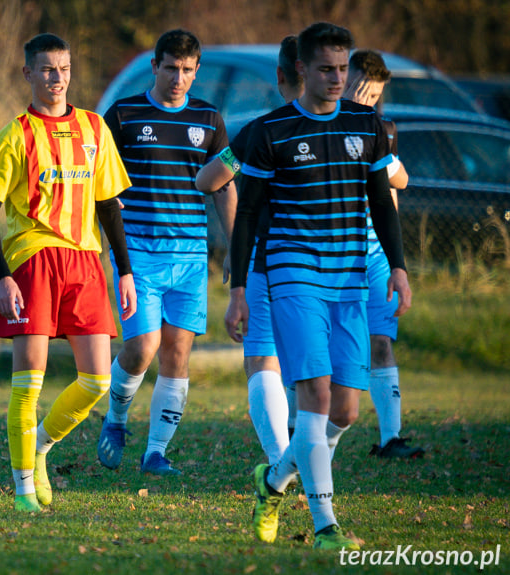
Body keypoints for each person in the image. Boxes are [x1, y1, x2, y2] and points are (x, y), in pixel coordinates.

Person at [226, 23, 411, 550]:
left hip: (350, 279)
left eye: (342, 68)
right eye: (326, 69)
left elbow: (381, 201)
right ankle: (327, 527)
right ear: (302, 69)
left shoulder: (367, 125)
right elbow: (249, 215)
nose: (336, 79)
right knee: (315, 398)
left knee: (346, 412)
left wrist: (397, 267)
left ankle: (272, 482)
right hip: (292, 276)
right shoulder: (270, 132)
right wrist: (239, 289)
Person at [0, 33, 137, 512]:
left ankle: (41, 446)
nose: (57, 79)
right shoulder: (14, 135)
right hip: (34, 260)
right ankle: (25, 492)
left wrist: (123, 271)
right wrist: (3, 277)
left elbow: (109, 205)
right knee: (29, 384)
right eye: (47, 69)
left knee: (98, 381)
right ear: (28, 74)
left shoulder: (93, 128)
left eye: (64, 69)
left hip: (86, 261)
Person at [95, 29, 234, 476]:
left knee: (177, 351)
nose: (178, 78)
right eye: (170, 68)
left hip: (191, 256)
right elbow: (101, 187)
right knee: (142, 346)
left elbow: (225, 187)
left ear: (197, 72)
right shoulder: (124, 114)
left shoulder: (210, 121)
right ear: (154, 67)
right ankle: (115, 420)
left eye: (187, 70)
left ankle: (155, 452)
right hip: (137, 253)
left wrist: (234, 244)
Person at [196, 36, 302, 467]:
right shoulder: (347, 128)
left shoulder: (260, 130)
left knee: (262, 357)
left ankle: (280, 459)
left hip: (268, 258)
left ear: (279, 78)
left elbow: (208, 180)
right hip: (330, 261)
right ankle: (302, 455)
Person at [344, 49, 424, 459]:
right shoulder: (322, 125)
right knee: (327, 347)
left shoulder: (381, 131)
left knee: (381, 341)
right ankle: (300, 430)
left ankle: (390, 438)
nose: (366, 101)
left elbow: (401, 183)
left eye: (374, 95)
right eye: (360, 91)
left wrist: (397, 264)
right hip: (333, 256)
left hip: (374, 256)